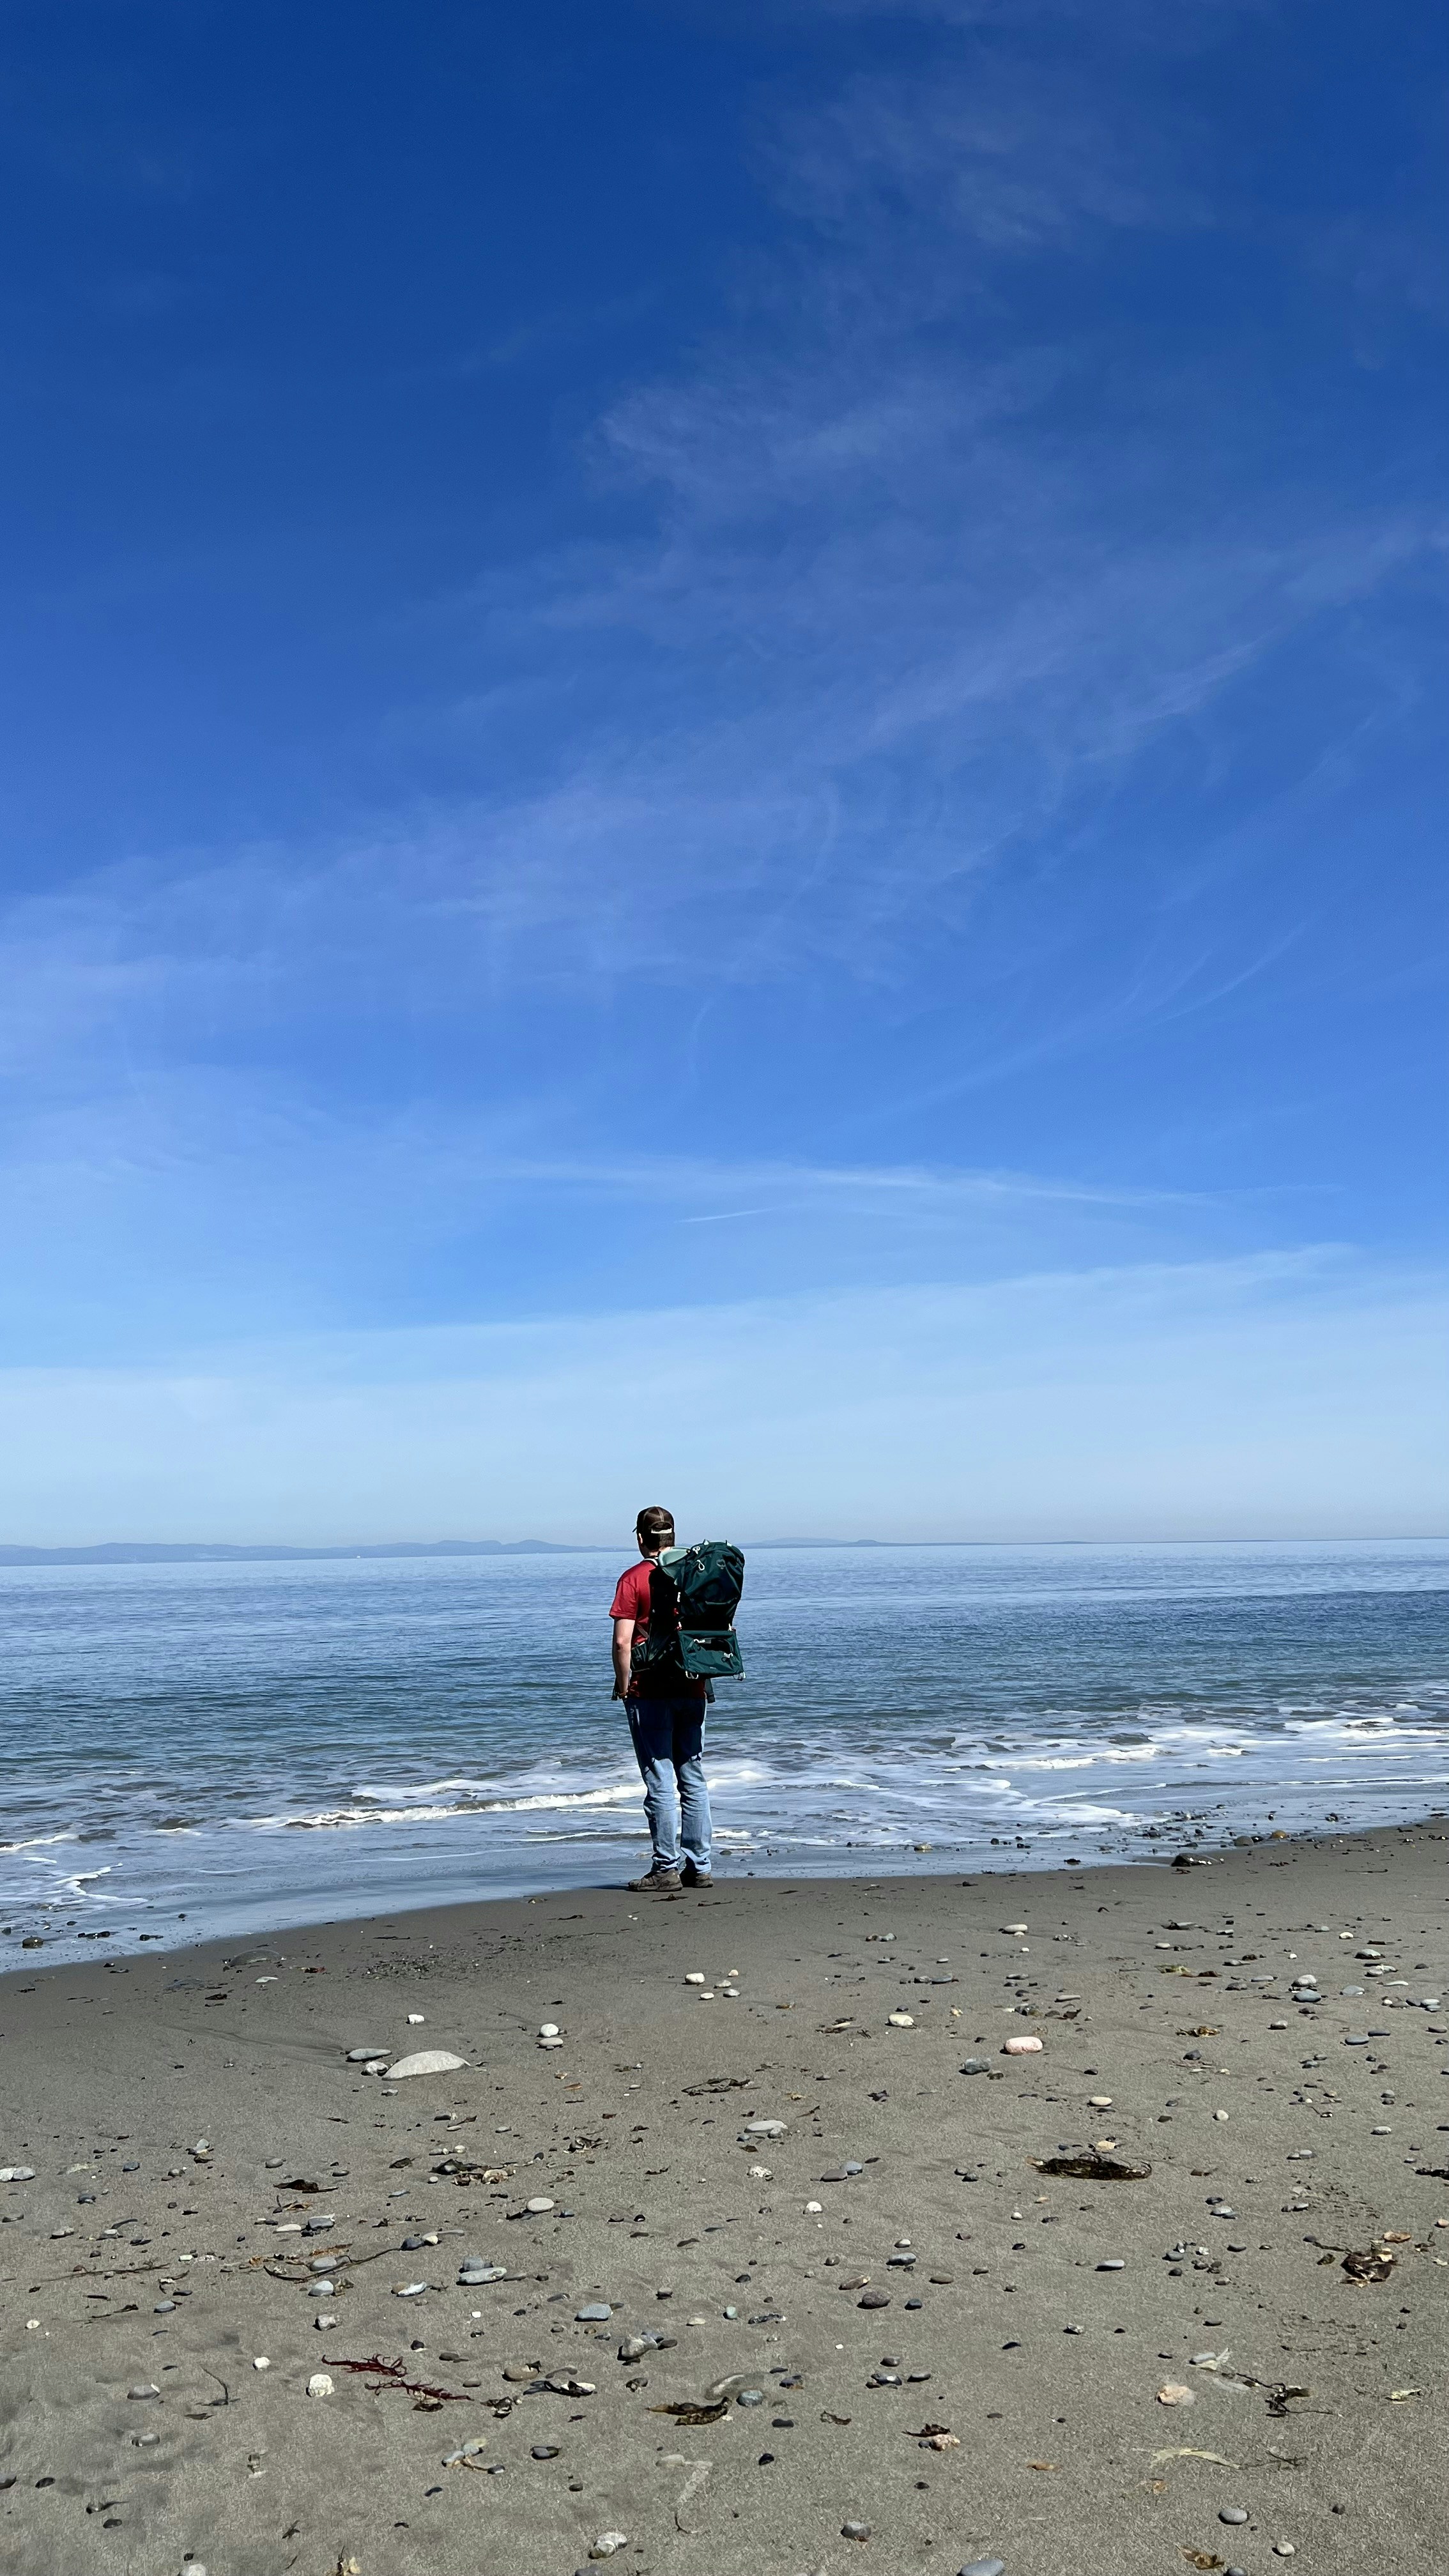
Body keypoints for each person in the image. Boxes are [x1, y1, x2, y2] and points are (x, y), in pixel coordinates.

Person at [610, 1504, 713, 1892]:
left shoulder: (634, 1579)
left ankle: (666, 1868)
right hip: (694, 1686)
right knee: (693, 1778)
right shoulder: (694, 1573)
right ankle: (700, 1867)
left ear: (640, 1538)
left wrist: (623, 1685)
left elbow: (623, 1643)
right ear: (672, 1536)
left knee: (659, 1779)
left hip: (650, 1691)